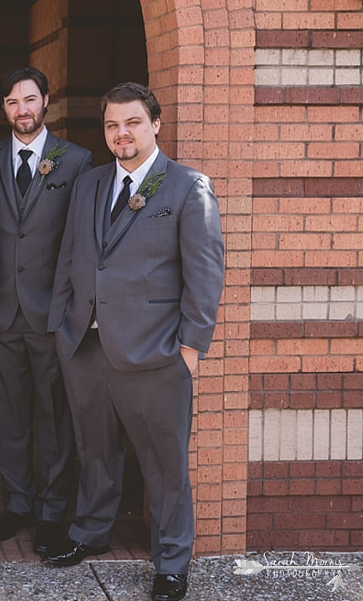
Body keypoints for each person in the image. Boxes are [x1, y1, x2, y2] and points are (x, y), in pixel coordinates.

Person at [46, 82, 224, 601]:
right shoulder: (90, 184)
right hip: (86, 345)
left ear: (155, 125)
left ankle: (172, 562)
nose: (121, 134)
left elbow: (206, 274)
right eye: (111, 125)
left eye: (132, 123)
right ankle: (91, 532)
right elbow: (71, 257)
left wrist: (190, 349)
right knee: (94, 449)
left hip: (156, 353)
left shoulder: (189, 187)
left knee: (163, 462)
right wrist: (64, 324)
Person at [0, 67, 92, 554]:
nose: (21, 110)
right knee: (9, 411)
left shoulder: (77, 160)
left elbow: (82, 238)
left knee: (53, 412)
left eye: (29, 100)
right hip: (0, 309)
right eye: (11, 102)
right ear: (2, 109)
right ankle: (18, 502)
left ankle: (51, 510)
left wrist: (75, 306)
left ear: (46, 101)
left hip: (51, 310)